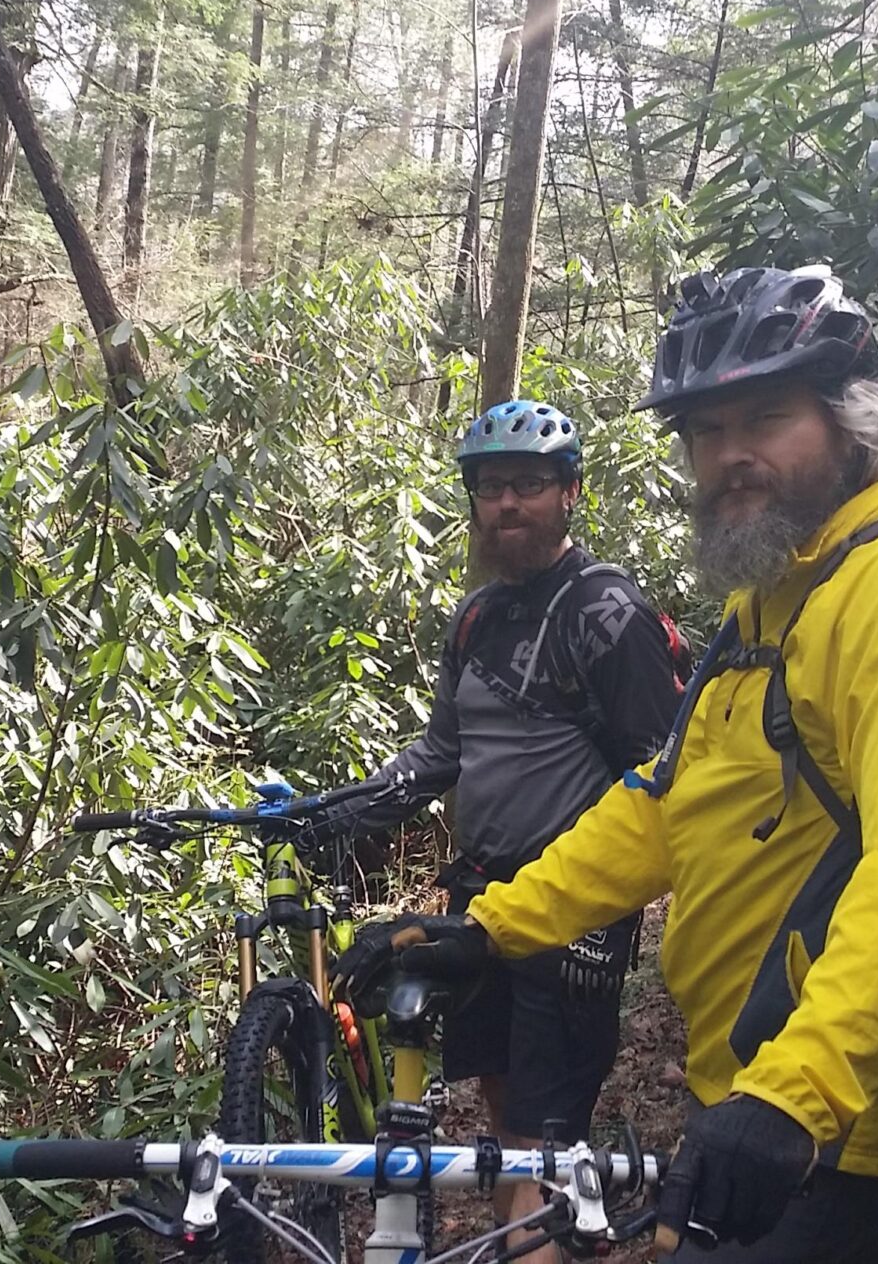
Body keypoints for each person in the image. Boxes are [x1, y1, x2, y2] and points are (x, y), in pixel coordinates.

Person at [342, 266, 878, 1262]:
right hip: (757, 1087)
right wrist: (493, 928)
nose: (731, 456)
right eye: (707, 430)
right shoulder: (780, 590)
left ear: (853, 420)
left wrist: (797, 1093)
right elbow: (666, 804)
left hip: (844, 1118)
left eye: (766, 418)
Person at [306, 398, 685, 1262]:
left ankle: (532, 1240)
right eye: (490, 487)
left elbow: (669, 777)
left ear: (569, 492)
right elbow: (441, 752)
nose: (507, 503)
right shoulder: (478, 616)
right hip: (478, 900)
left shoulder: (607, 613)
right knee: (507, 1114)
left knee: (543, 1142)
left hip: (574, 908)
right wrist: (342, 810)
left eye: (528, 483)